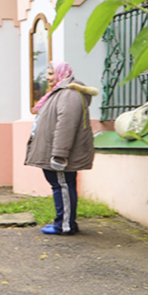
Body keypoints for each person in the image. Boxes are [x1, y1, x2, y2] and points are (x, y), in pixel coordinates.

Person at [25, 62, 99, 235]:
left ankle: (65, 226)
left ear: (62, 74)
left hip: (58, 153)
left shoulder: (69, 94)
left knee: (63, 186)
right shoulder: (60, 93)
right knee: (60, 185)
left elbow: (66, 125)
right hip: (52, 149)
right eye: (48, 74)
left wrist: (59, 154)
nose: (48, 78)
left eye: (51, 74)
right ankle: (63, 221)